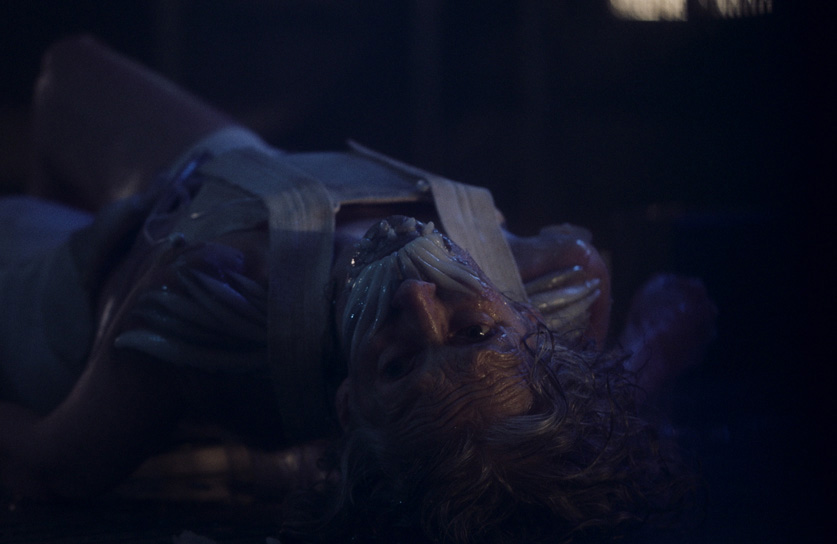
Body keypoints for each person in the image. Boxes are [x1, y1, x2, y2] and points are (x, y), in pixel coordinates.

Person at [0, 37, 714, 543]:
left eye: (396, 364)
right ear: (531, 327)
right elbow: (572, 409)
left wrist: (128, 320)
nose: (417, 302)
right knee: (68, 73)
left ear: (350, 404)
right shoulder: (560, 284)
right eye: (474, 331)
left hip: (61, 305)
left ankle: (64, 248)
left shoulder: (198, 324)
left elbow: (51, 470)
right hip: (245, 192)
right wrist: (643, 351)